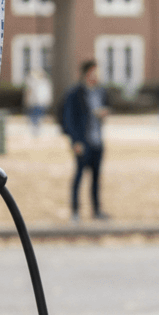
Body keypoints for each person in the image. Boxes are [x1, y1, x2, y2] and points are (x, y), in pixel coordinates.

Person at [61, 59, 109, 222]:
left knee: (96, 177)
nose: (96, 75)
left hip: (97, 140)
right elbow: (68, 119)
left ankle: (96, 210)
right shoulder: (75, 93)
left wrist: (103, 115)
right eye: (93, 72)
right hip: (83, 141)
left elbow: (104, 108)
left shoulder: (100, 92)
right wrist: (75, 141)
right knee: (79, 176)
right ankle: (75, 210)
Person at [23, 67, 53, 135]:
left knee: (38, 118)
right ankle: (35, 131)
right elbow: (29, 93)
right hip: (34, 103)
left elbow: (46, 94)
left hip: (40, 103)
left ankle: (36, 131)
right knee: (34, 118)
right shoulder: (33, 82)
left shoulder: (44, 82)